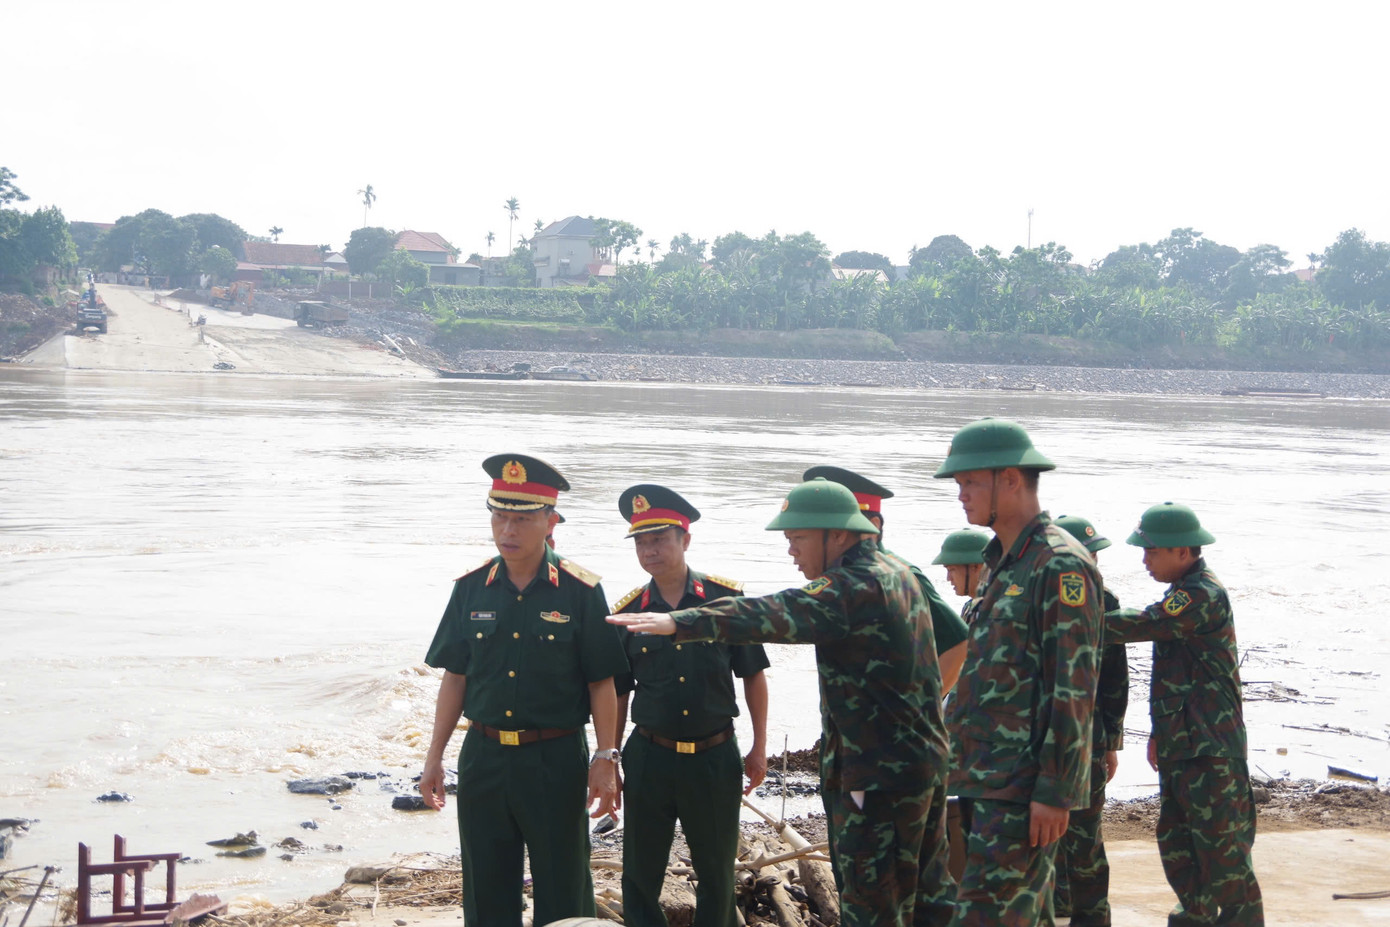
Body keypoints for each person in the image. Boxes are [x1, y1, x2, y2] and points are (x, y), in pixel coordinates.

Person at [608, 478, 955, 927]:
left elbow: (773, 613)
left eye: (797, 538)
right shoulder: (898, 572)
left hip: (877, 778)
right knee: (929, 901)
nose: (791, 550)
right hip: (920, 766)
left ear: (837, 534)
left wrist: (680, 622)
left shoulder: (854, 585)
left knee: (874, 906)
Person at [419, 453, 629, 927]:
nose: (507, 530)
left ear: (550, 522)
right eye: (499, 517)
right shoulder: (472, 588)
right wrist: (434, 757)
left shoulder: (579, 590)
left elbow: (602, 681)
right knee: (486, 888)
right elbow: (455, 677)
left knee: (563, 884)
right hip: (484, 758)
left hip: (554, 759)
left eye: (521, 520)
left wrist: (605, 757)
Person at [931, 417, 1103, 927]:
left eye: (969, 482)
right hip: (985, 779)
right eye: (958, 484)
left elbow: (1073, 689)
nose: (960, 495)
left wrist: (1056, 792)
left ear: (1009, 479)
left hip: (1022, 789)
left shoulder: (1059, 565)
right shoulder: (1001, 563)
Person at [610, 484, 769, 927]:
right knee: (639, 871)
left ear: (686, 540)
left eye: (659, 539)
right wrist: (611, 758)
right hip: (650, 757)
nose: (649, 550)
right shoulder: (630, 613)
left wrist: (758, 747)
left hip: (714, 757)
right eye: (641, 542)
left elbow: (753, 675)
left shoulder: (725, 602)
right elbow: (619, 692)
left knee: (717, 872)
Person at [1105, 503, 1263, 927]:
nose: (1145, 560)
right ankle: (1195, 916)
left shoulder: (1201, 595)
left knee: (1223, 853)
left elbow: (1144, 623)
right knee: (1178, 845)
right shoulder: (1182, 591)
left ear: (1181, 550)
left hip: (1211, 747)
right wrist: (1159, 733)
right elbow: (1175, 677)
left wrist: (1074, 621)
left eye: (1151, 551)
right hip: (1183, 742)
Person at [802, 465, 970, 692]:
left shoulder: (899, 576)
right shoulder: (841, 580)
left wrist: (926, 705)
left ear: (873, 527)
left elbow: (958, 643)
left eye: (839, 529)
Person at [1051, 514, 1130, 927]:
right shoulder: (1037, 598)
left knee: (1084, 835)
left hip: (1089, 738)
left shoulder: (1106, 602)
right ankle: (1059, 901)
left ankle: (1092, 914)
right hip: (1047, 737)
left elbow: (1116, 678)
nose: (1092, 563)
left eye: (1094, 554)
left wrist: (1112, 742)